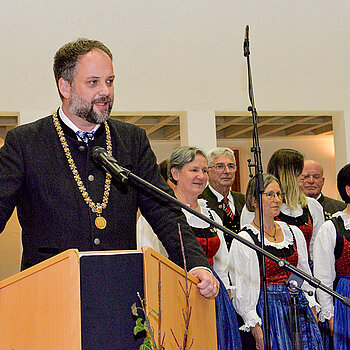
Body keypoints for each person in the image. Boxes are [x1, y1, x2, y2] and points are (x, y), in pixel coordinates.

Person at [0, 38, 218, 298]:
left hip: (120, 295)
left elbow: (165, 212)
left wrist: (195, 263)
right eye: (93, 82)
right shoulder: (26, 142)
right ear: (65, 87)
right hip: (50, 295)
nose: (106, 91)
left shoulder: (131, 140)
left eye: (110, 81)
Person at [137, 146, 242, 350]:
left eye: (204, 171)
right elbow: (148, 264)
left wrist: (225, 297)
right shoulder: (155, 217)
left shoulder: (212, 215)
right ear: (175, 174)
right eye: (194, 170)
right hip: (175, 298)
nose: (201, 176)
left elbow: (222, 264)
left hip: (213, 297)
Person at [229, 173, 323, 350]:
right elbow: (242, 291)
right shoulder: (245, 239)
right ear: (253, 200)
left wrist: (312, 309)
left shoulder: (293, 232)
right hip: (269, 309)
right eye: (270, 194)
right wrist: (257, 331)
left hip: (298, 306)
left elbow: (304, 275)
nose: (276, 199)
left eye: (279, 194)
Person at [242, 149, 324, 263]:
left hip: (306, 269)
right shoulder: (257, 206)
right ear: (287, 174)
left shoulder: (312, 206)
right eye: (300, 170)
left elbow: (317, 249)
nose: (304, 174)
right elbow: (248, 245)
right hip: (270, 271)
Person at [314, 163, 350, 349]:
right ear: (349, 190)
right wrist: (329, 315)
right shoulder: (331, 228)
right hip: (345, 298)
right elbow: (323, 277)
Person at [199, 147, 245, 250]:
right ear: (207, 171)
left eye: (231, 166)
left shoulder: (244, 201)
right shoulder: (200, 201)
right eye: (220, 166)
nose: (227, 171)